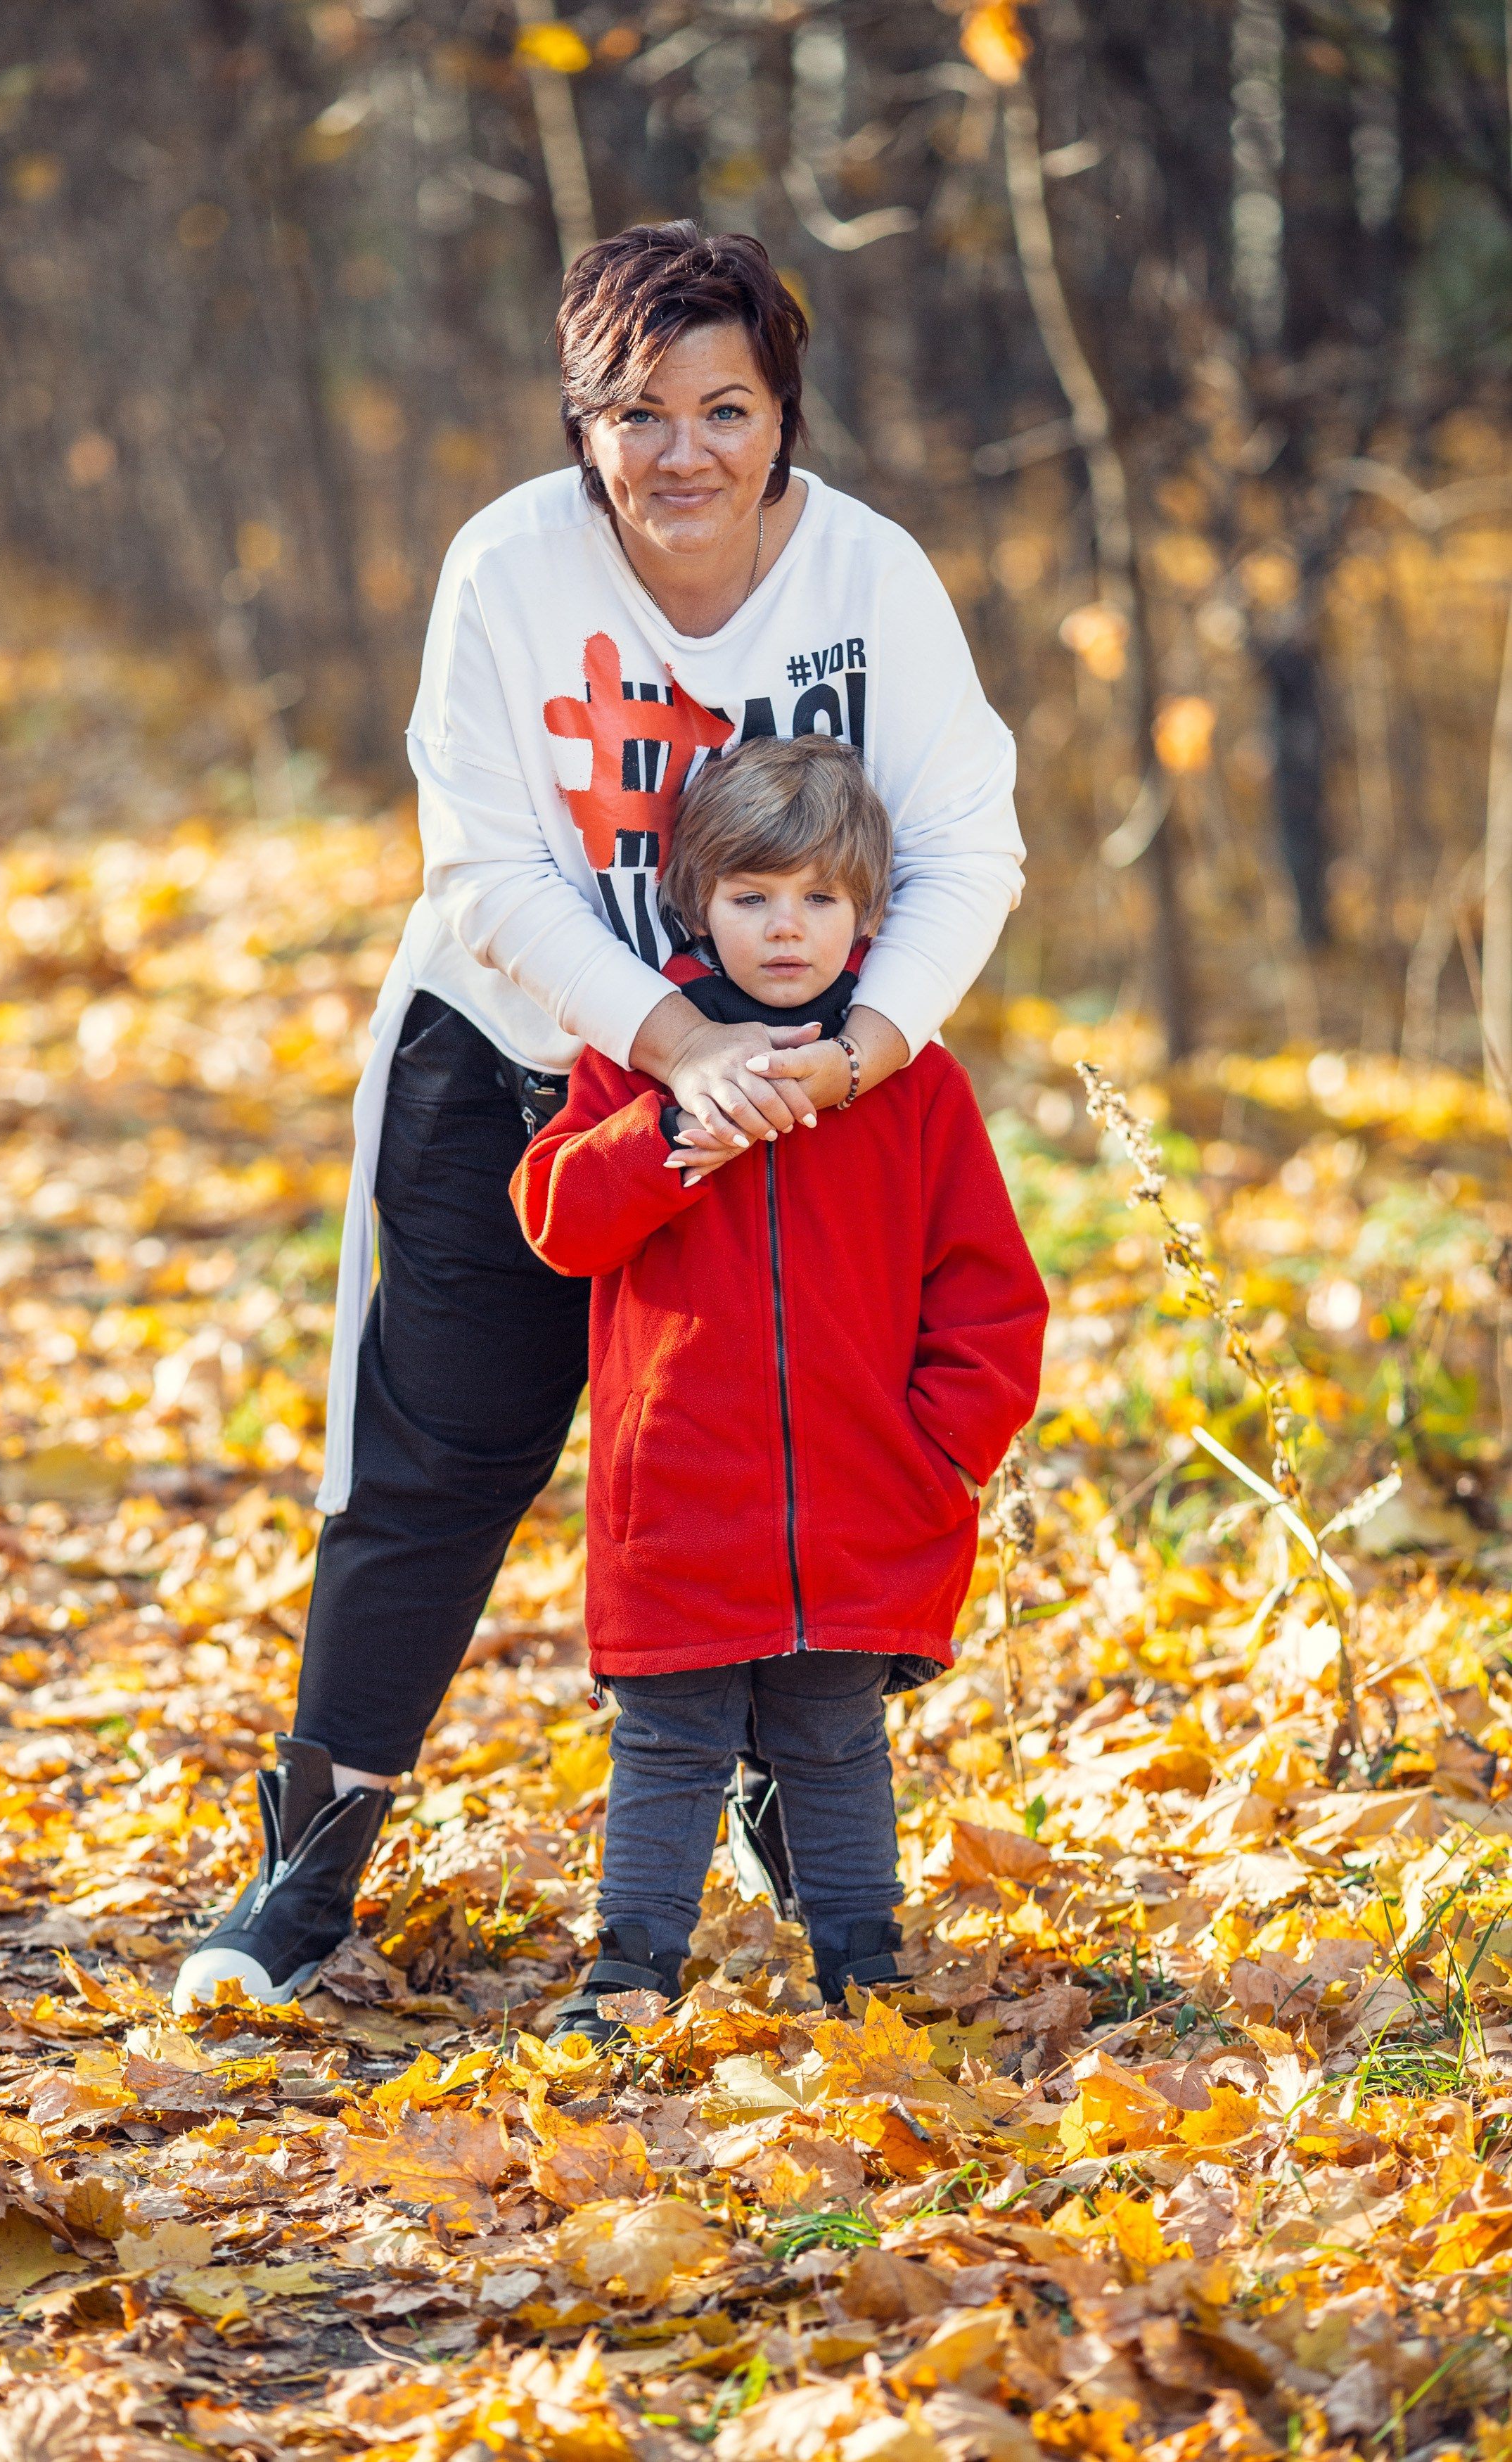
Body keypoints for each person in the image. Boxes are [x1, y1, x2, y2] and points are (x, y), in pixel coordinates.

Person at [172, 219, 1024, 2015]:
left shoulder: (874, 579)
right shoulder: (509, 569)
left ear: (785, 411)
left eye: (727, 406)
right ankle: (306, 1872)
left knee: (807, 1447)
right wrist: (665, 1043)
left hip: (813, 1098)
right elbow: (482, 867)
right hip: (521, 1063)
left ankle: (806, 1822)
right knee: (438, 1466)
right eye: (638, 413)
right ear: (581, 423)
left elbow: (969, 849)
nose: (685, 451)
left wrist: (854, 1053)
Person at [510, 736, 1048, 2041]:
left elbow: (992, 1297)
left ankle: (866, 1975)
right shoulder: (633, 1061)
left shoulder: (910, 1083)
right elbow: (557, 1219)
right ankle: (631, 1975)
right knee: (668, 1744)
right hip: (678, 1494)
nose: (786, 929)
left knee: (834, 1743)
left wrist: (940, 1452)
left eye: (818, 899)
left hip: (868, 1494)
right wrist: (669, 1131)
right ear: (697, 907)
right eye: (752, 898)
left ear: (867, 914)